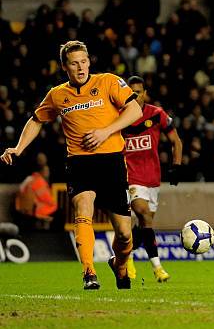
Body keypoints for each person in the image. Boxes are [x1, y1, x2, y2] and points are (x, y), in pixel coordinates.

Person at [1, 40, 143, 290]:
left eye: (84, 62)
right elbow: (36, 120)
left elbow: (134, 112)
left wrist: (104, 132)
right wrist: (18, 148)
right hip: (79, 162)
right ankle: (89, 271)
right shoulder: (57, 95)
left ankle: (119, 264)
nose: (81, 68)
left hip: (111, 162)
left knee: (124, 234)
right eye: (74, 63)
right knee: (82, 209)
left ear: (89, 61)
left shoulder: (108, 81)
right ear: (64, 67)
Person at [123, 76, 183, 282]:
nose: (135, 96)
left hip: (152, 178)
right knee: (143, 213)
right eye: (131, 92)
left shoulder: (156, 114)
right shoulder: (119, 116)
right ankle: (157, 268)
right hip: (130, 177)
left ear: (145, 93)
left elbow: (176, 141)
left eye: (138, 92)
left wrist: (176, 165)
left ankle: (126, 255)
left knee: (144, 226)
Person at [14, 164, 57, 229]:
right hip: (35, 210)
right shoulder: (39, 181)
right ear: (41, 171)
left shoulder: (29, 179)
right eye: (46, 171)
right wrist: (53, 204)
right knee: (58, 212)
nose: (48, 173)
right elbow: (46, 198)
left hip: (23, 209)